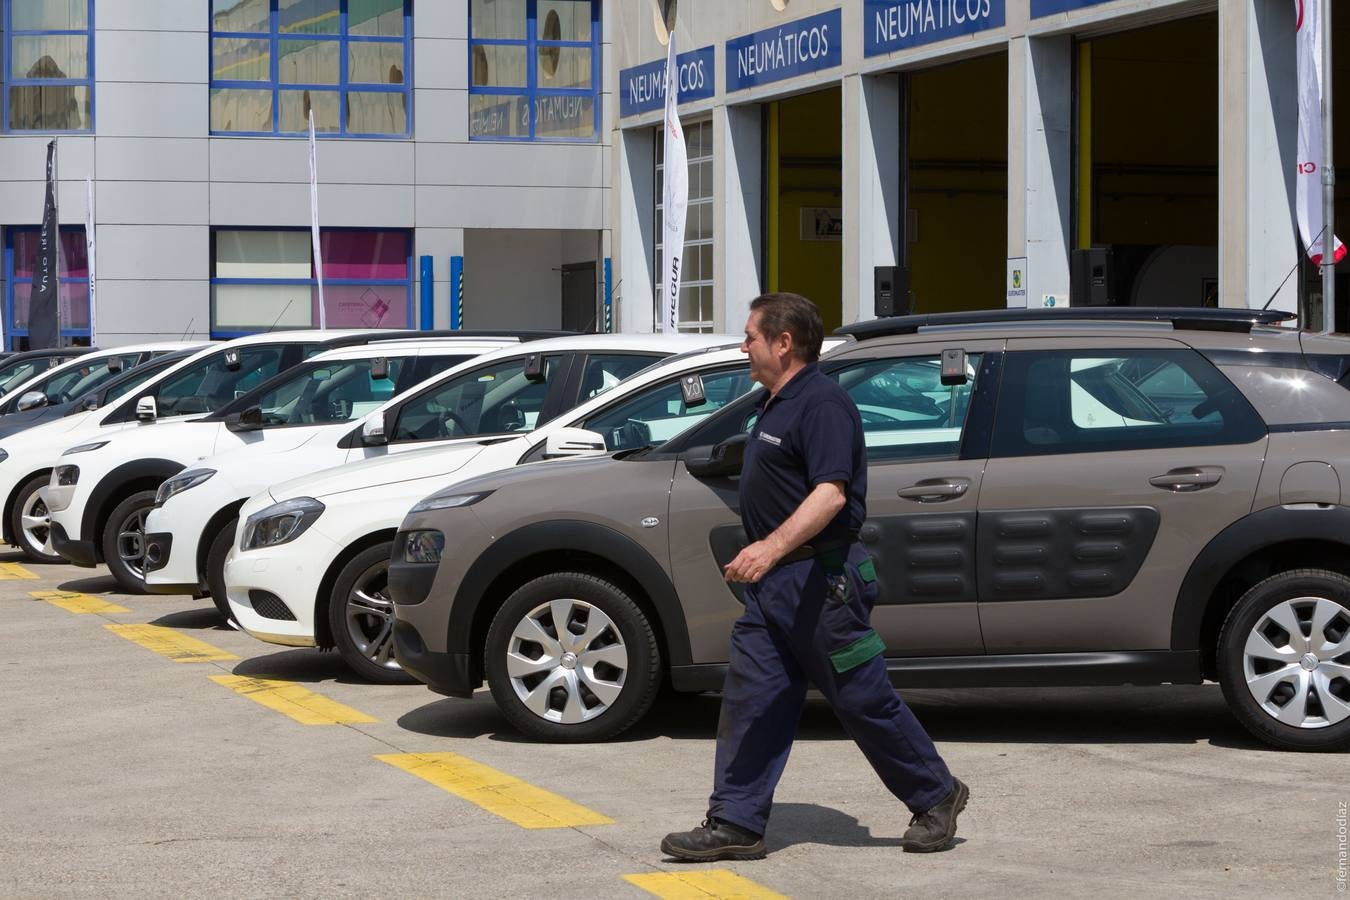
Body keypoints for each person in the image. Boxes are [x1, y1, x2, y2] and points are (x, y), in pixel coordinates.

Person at [661, 292, 968, 861]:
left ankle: (937, 795)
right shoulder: (774, 403)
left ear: (783, 342)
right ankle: (736, 822)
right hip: (774, 591)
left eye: (750, 335)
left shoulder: (823, 404)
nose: (743, 345)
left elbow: (830, 494)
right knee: (752, 700)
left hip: (822, 585)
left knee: (862, 700)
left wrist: (768, 548)